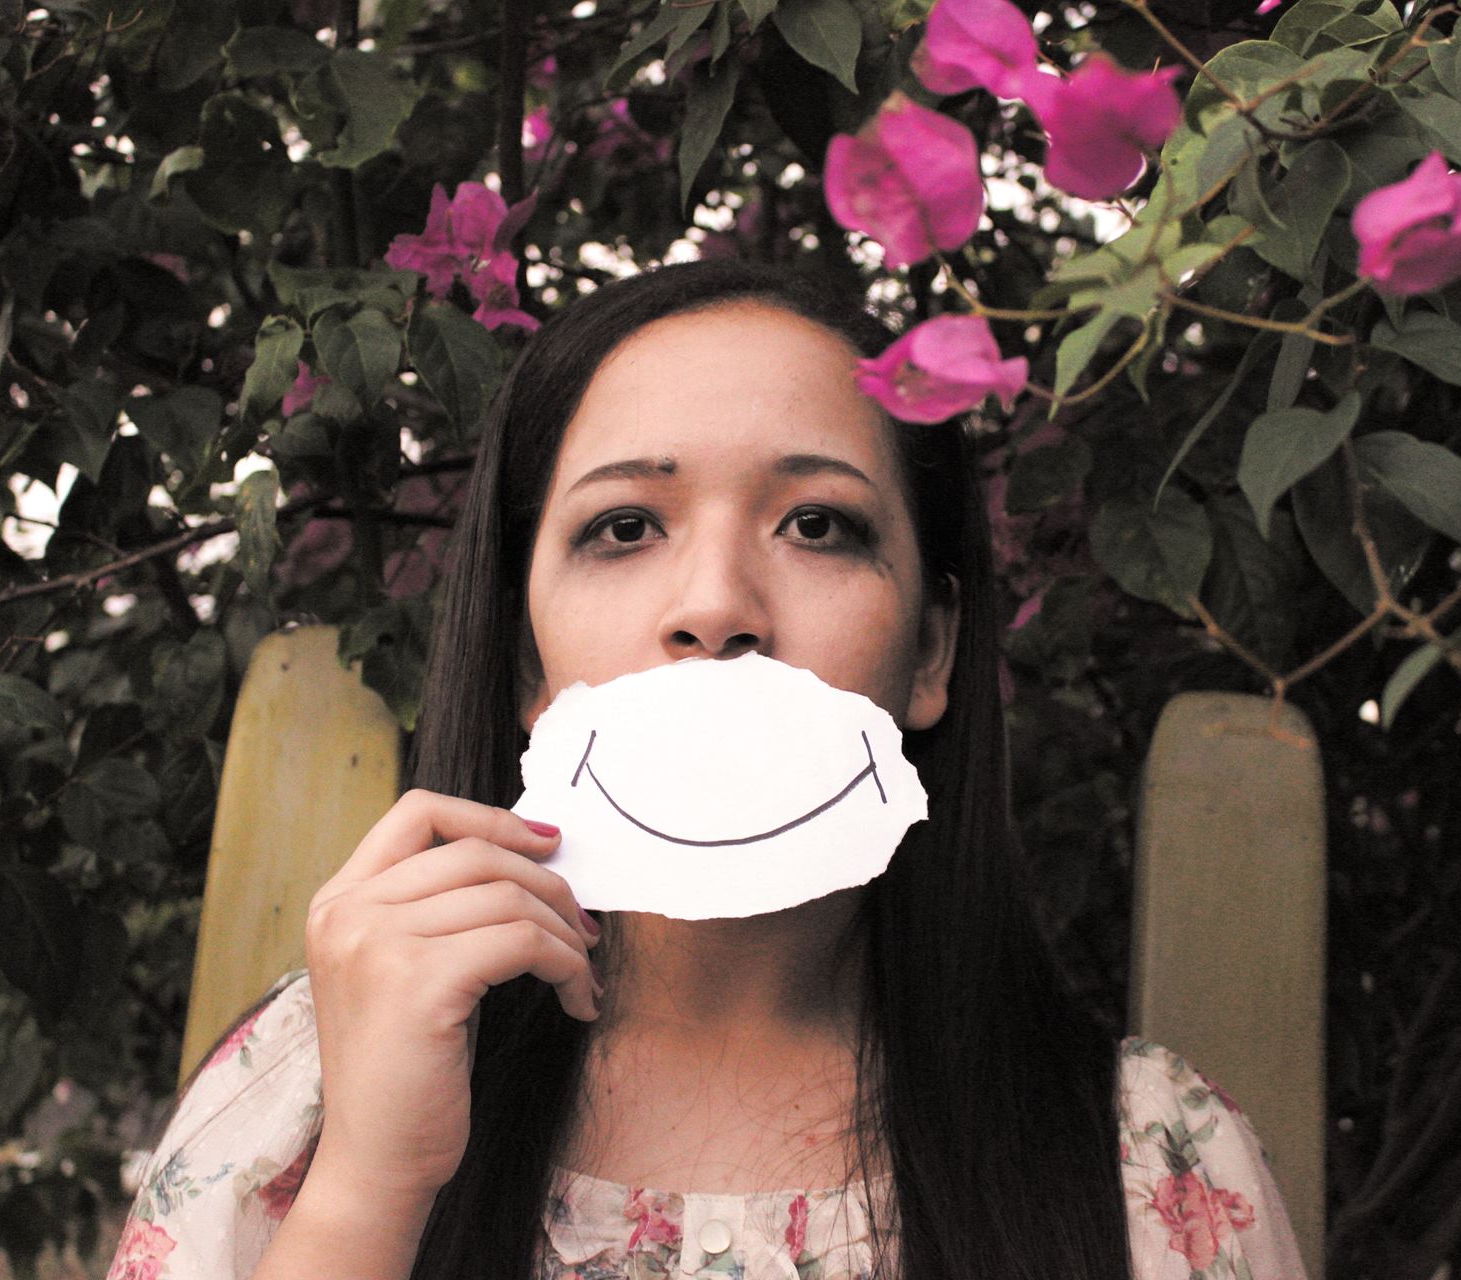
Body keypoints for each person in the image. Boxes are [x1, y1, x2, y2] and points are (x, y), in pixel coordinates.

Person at [107, 259, 1309, 1280]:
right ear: (530, 662)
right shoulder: (320, 1087)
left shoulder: (1149, 1165)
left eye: (819, 524)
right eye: (624, 526)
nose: (718, 606)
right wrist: (373, 1181)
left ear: (933, 649)